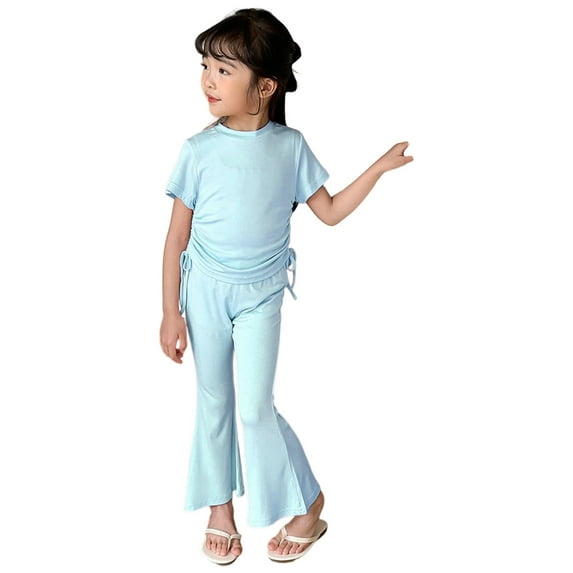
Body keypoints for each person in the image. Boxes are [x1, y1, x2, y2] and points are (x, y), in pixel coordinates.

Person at [159, 7, 413, 565]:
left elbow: (330, 212)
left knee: (254, 408)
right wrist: (170, 312)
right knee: (214, 401)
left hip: (262, 294)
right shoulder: (197, 150)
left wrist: (376, 168)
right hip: (203, 291)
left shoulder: (290, 146)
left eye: (223, 70)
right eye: (205, 66)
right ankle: (220, 510)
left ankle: (309, 502)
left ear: (265, 86)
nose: (207, 80)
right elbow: (176, 238)